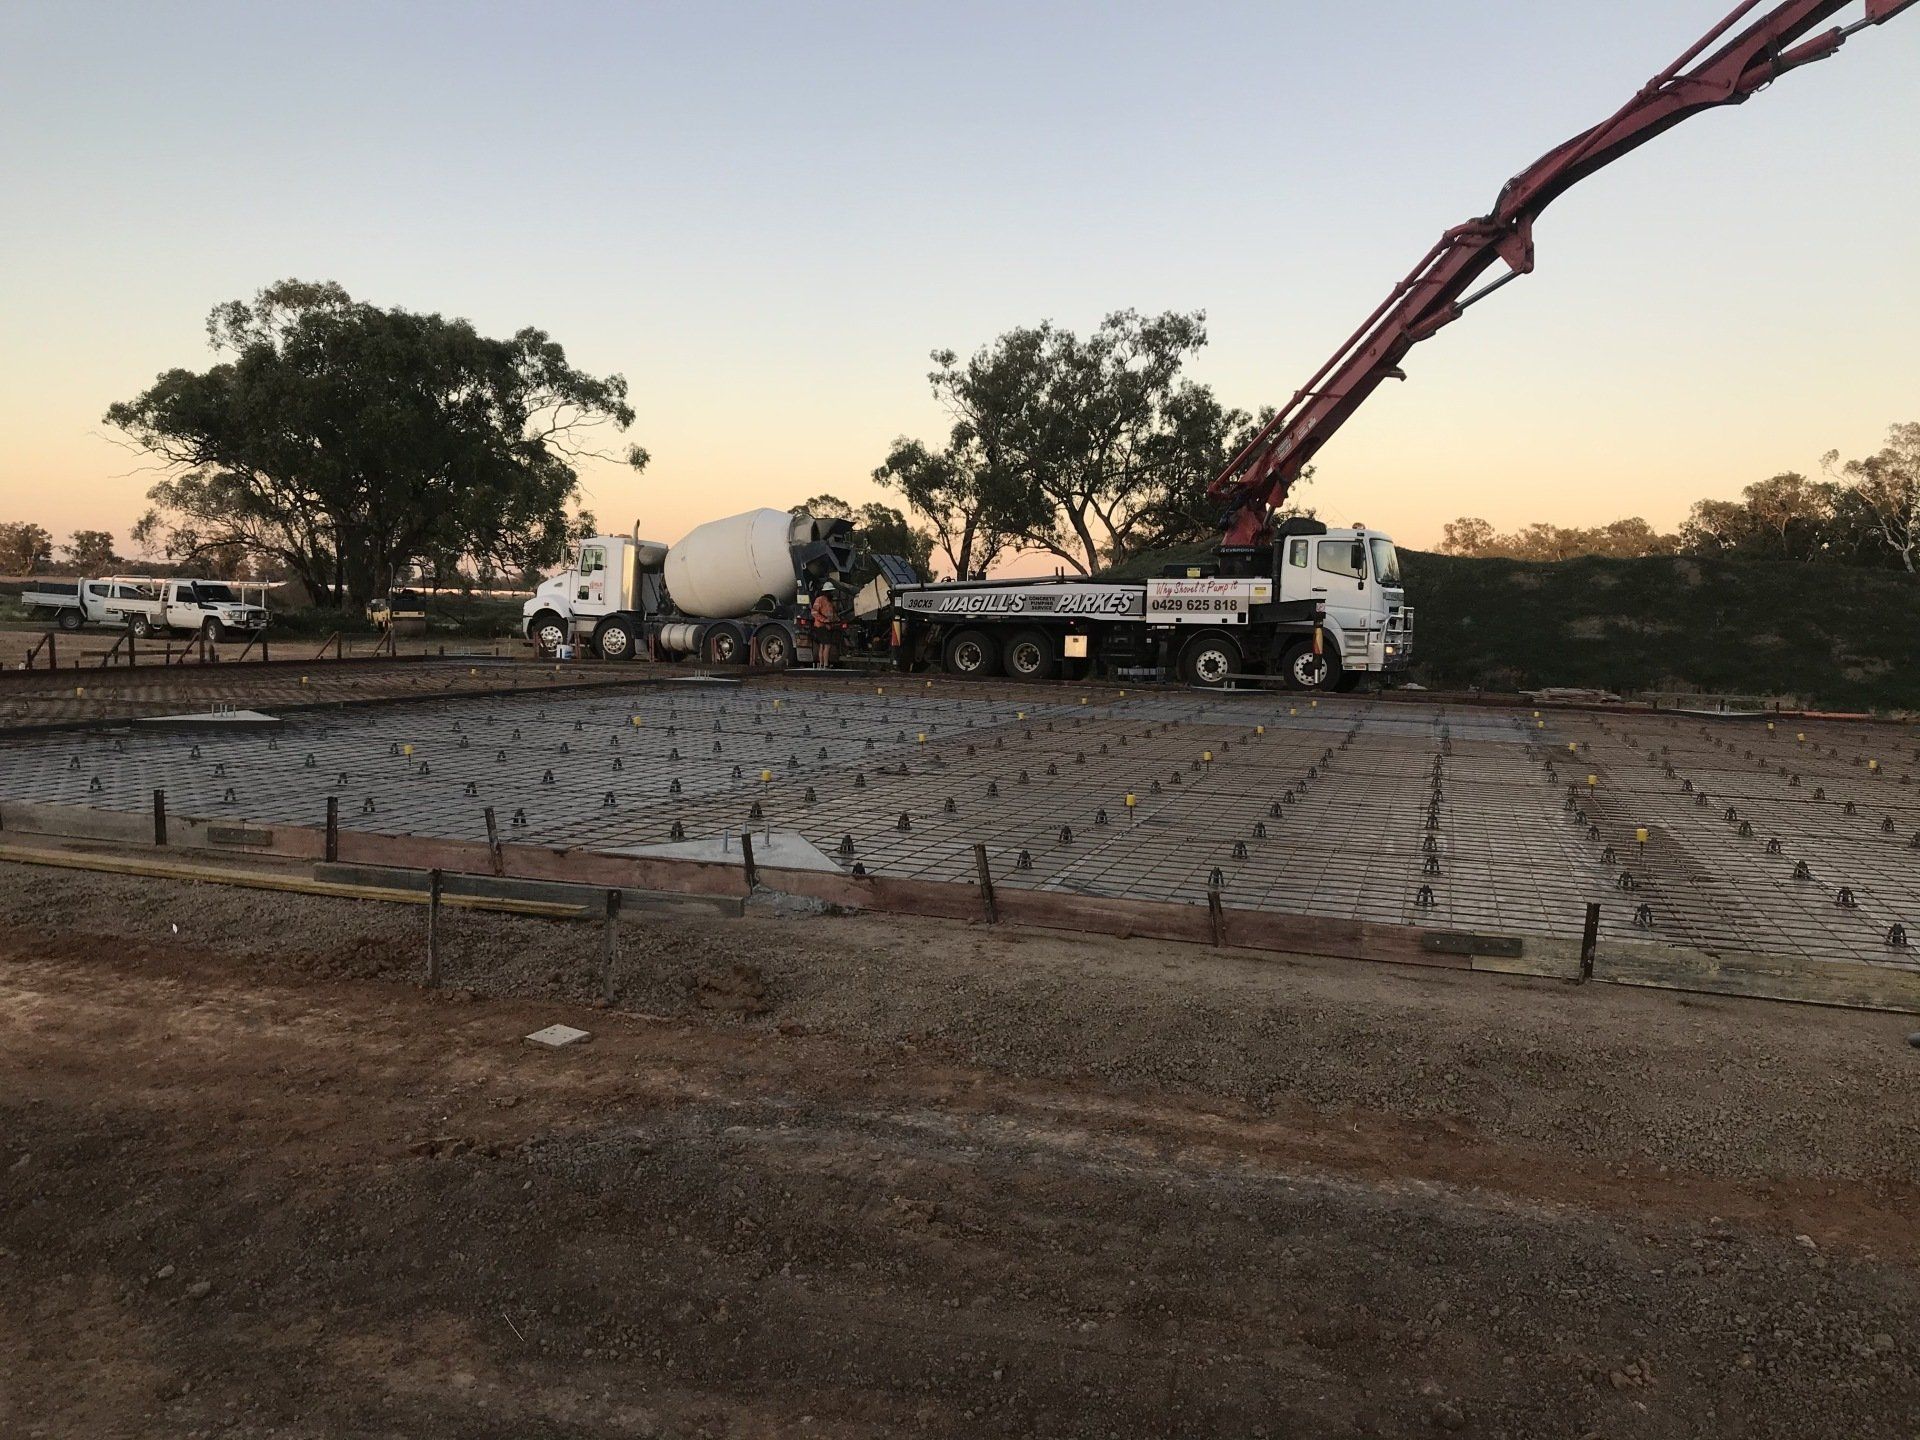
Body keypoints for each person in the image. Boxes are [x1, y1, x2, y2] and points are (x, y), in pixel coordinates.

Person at [810, 584, 839, 668]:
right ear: (825, 592)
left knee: (823, 645)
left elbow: (833, 614)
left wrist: (837, 621)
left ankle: (822, 664)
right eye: (830, 591)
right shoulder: (819, 600)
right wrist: (824, 620)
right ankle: (825, 665)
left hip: (828, 626)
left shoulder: (830, 602)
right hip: (821, 626)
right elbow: (814, 612)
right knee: (827, 645)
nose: (831, 593)